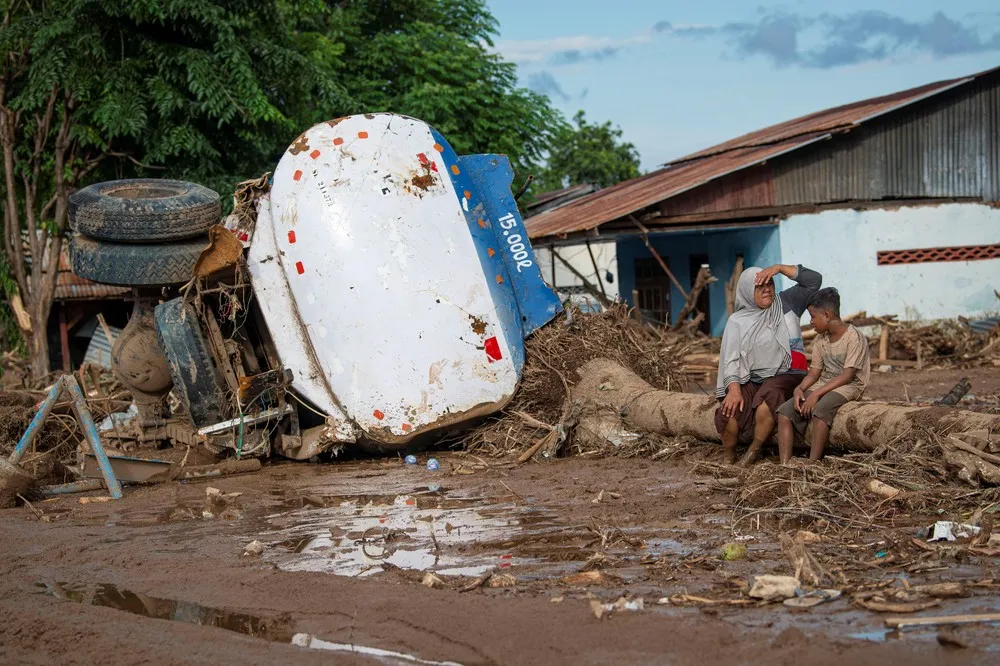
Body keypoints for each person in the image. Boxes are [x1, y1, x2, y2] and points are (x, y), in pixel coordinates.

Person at [715, 263, 822, 465]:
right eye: (759, 286)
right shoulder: (737, 321)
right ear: (747, 291)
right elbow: (731, 358)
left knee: (769, 398)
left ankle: (752, 453)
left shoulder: (786, 303)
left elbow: (814, 281)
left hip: (789, 373)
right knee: (729, 410)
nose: (767, 289)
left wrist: (780, 268)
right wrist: (734, 390)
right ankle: (729, 457)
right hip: (752, 378)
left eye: (769, 283)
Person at [776, 287, 871, 463]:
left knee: (821, 410)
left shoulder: (854, 337)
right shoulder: (821, 340)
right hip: (825, 384)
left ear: (827, 315)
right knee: (785, 412)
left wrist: (817, 395)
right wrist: (800, 388)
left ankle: (813, 462)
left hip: (849, 386)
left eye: (813, 316)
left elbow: (847, 376)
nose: (811, 322)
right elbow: (814, 373)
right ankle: (785, 464)